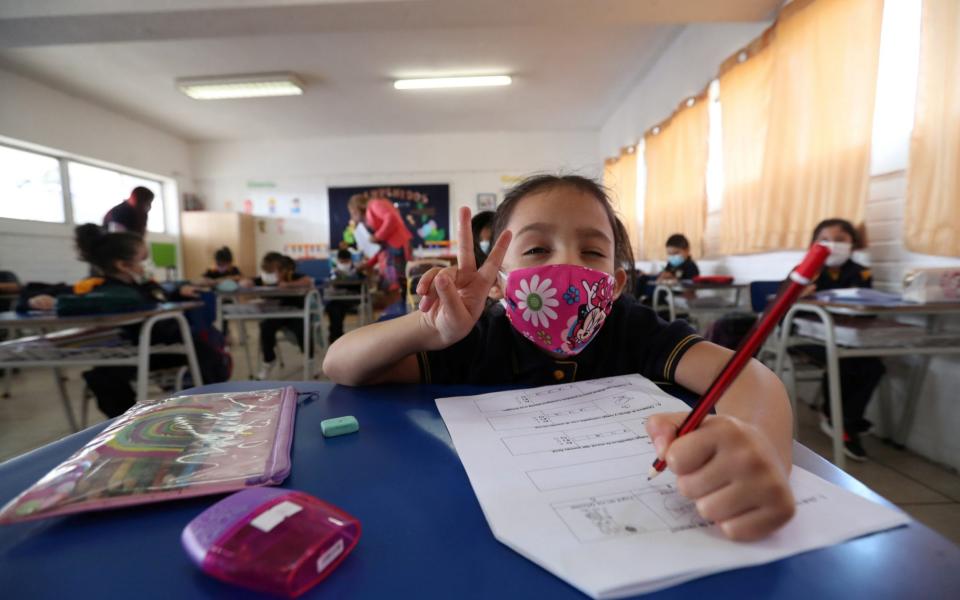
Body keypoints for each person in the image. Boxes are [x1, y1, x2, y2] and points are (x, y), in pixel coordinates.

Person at [324, 174, 795, 541]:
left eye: (592, 250)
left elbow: (748, 379)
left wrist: (765, 459)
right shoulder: (474, 335)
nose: (566, 265)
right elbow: (341, 364)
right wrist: (428, 328)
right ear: (500, 280)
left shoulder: (632, 327)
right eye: (536, 248)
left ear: (615, 284)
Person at [26, 224, 225, 417]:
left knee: (205, 351)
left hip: (165, 347)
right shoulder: (106, 290)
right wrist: (51, 301)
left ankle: (211, 406)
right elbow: (76, 297)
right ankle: (130, 425)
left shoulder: (142, 286)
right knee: (104, 377)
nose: (147, 264)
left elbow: (161, 291)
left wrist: (178, 290)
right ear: (122, 265)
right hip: (144, 348)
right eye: (143, 259)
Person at [795, 218, 884, 461]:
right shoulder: (805, 271)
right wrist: (799, 295)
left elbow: (867, 308)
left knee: (873, 365)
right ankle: (842, 422)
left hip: (844, 337)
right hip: (806, 336)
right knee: (843, 362)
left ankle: (844, 420)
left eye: (841, 240)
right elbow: (783, 308)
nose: (833, 245)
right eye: (825, 239)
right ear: (814, 244)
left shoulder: (859, 272)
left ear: (853, 243)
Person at [245, 253, 314, 380]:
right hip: (275, 315)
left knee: (303, 328)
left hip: (296, 314)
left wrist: (289, 285)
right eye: (266, 271)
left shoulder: (291, 276)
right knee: (265, 327)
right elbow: (246, 282)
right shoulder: (265, 280)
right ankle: (269, 361)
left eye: (272, 271)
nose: (269, 274)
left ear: (282, 270)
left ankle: (309, 359)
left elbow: (308, 281)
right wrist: (247, 283)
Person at [348, 195, 411, 293]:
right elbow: (381, 249)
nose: (353, 216)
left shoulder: (374, 204)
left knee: (397, 284)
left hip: (397, 244)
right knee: (394, 284)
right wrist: (368, 264)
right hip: (393, 247)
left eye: (353, 213)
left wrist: (377, 236)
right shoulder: (369, 215)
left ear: (357, 207)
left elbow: (391, 218)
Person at [326, 249, 364, 344]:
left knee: (336, 308)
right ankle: (336, 334)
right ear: (338, 261)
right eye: (341, 262)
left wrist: (355, 274)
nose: (343, 264)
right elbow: (331, 284)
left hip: (354, 299)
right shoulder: (334, 272)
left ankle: (336, 335)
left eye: (345, 261)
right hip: (338, 299)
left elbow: (364, 282)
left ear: (350, 260)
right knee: (332, 307)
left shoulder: (358, 270)